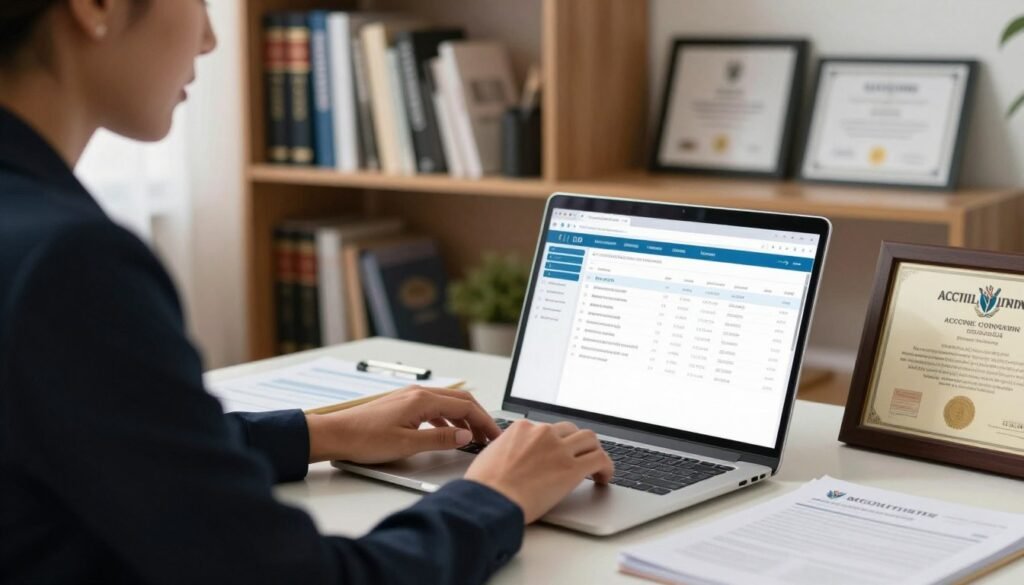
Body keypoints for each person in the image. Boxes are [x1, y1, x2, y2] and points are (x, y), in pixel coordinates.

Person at [0, 1, 614, 583]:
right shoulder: (68, 264)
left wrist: (324, 432)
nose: (210, 40)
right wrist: (494, 495)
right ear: (96, 6)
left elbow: (114, 447)